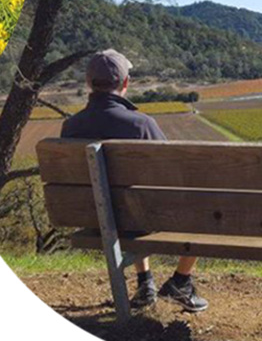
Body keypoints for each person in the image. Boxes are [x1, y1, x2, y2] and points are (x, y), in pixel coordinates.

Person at [60, 49, 208, 312]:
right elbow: (174, 175)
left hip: (95, 220)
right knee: (207, 207)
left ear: (88, 83)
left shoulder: (71, 127)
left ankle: (145, 283)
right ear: (125, 84)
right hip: (141, 218)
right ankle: (181, 281)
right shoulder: (141, 125)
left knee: (131, 203)